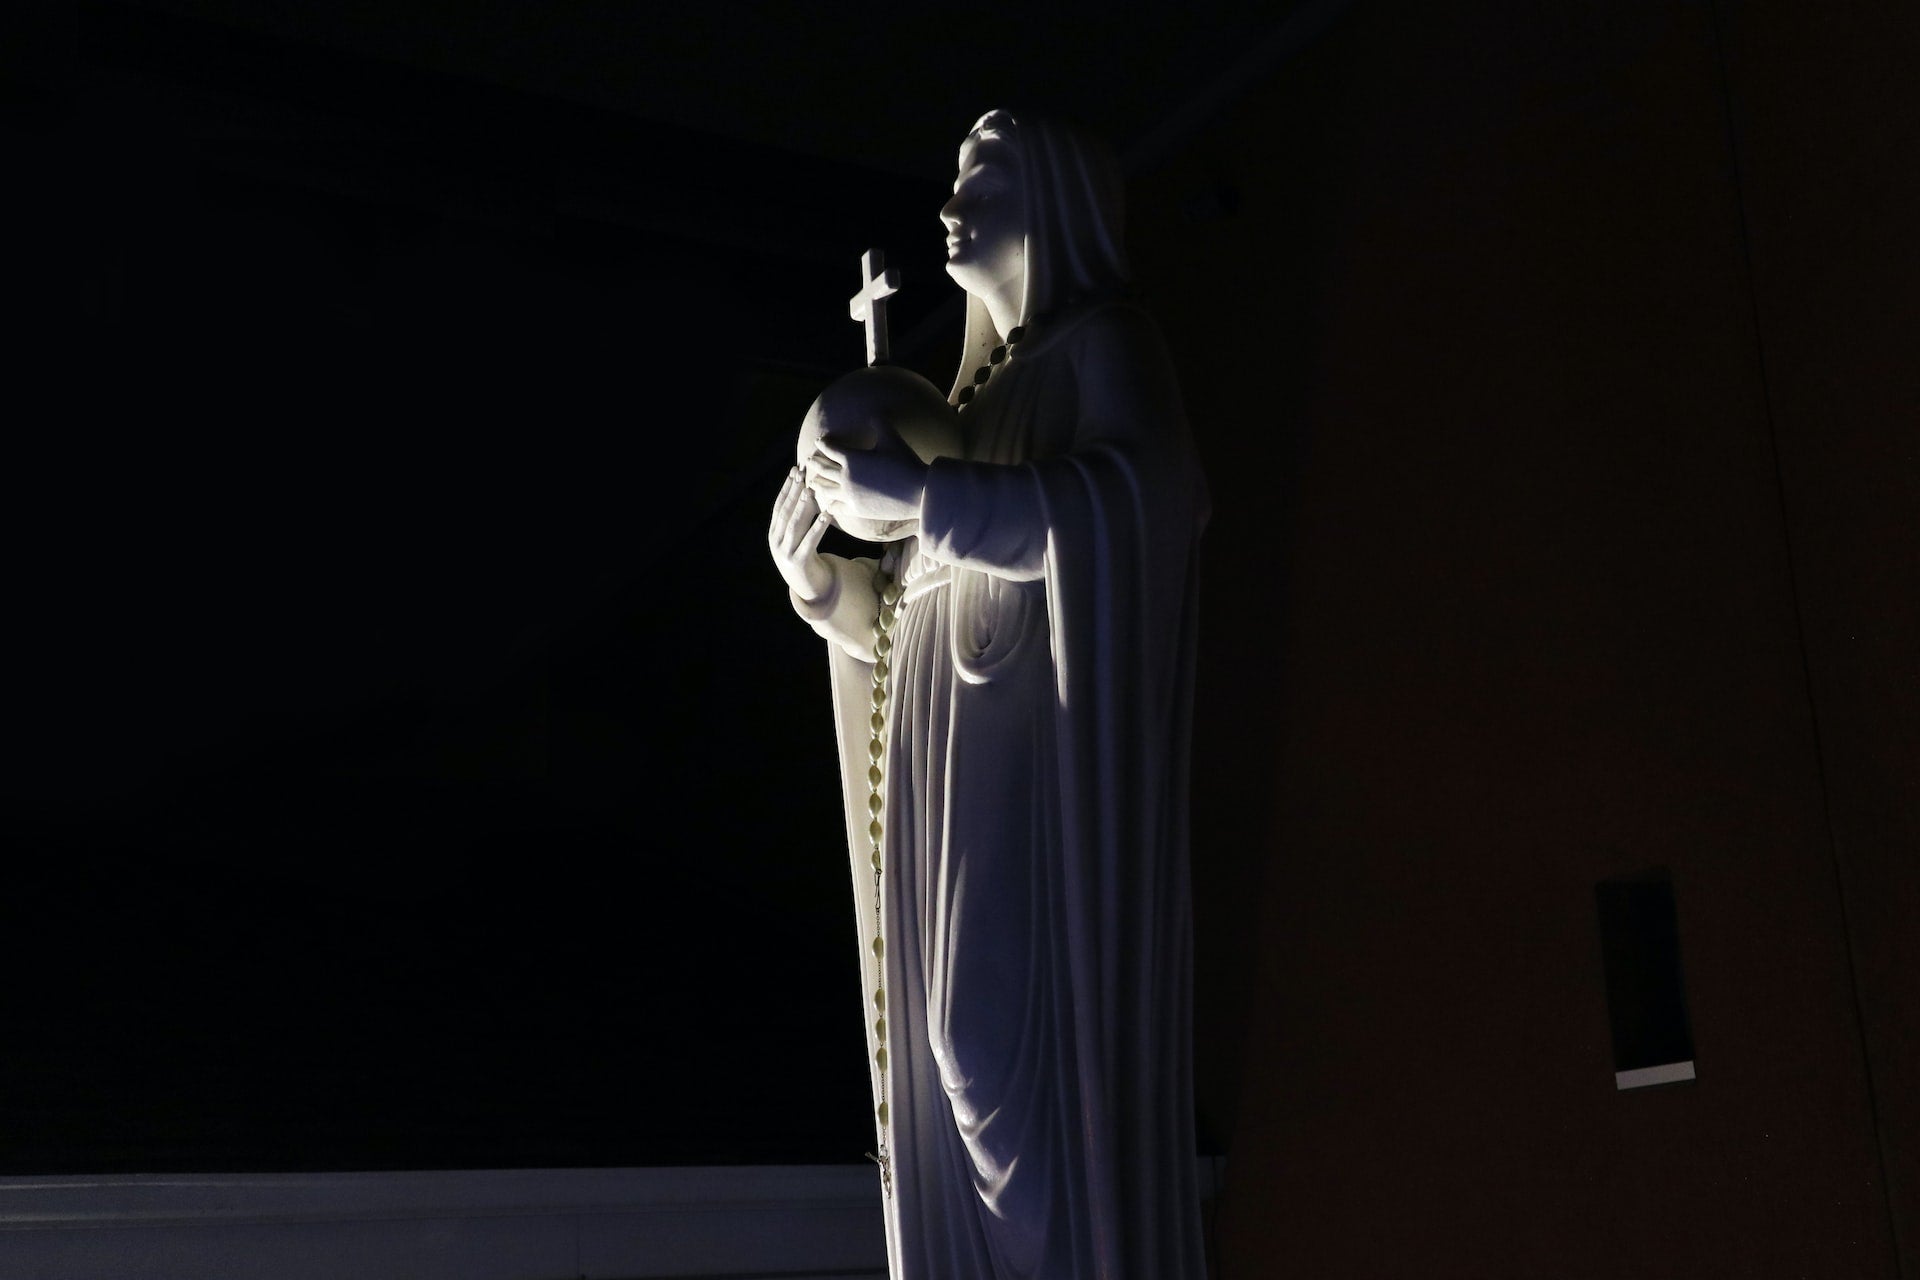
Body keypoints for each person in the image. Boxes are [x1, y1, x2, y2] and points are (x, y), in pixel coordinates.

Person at [768, 108, 1208, 1280]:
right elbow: (914, 613)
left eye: (986, 176)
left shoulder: (1107, 344)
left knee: (987, 1043)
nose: (953, 201)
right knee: (937, 1053)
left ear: (1057, 198)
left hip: (1035, 766)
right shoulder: (963, 404)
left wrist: (925, 500)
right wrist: (825, 587)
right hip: (943, 767)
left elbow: (1144, 500)